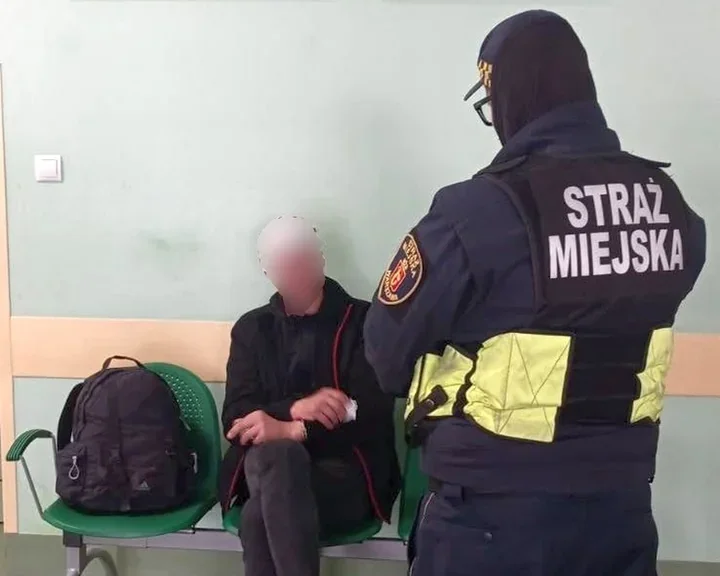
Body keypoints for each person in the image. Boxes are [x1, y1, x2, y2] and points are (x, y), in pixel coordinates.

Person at [364, 10, 706, 576]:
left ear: (510, 97)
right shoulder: (669, 207)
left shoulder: (477, 211)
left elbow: (385, 352)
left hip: (491, 516)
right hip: (620, 509)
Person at [218, 216, 400, 576]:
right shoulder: (252, 329)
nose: (296, 273)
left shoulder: (365, 322)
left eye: (302, 259)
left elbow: (371, 411)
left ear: (321, 258)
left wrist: (290, 429)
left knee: (257, 514)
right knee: (279, 458)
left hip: (345, 477)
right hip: (268, 471)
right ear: (267, 271)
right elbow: (237, 418)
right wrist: (296, 409)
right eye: (284, 265)